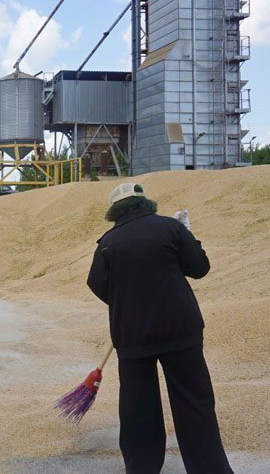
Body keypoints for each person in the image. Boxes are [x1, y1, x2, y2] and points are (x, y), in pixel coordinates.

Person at [87, 183, 232, 473]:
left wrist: (125, 303)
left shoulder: (107, 243)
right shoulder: (171, 228)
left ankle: (142, 467)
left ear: (115, 211)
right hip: (180, 330)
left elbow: (96, 283)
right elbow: (199, 268)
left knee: (138, 407)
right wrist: (187, 233)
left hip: (132, 335)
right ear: (147, 204)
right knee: (194, 402)